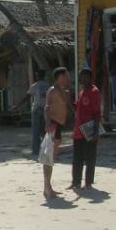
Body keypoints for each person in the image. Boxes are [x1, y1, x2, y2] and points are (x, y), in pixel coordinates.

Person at [42, 67, 72, 200]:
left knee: (52, 158)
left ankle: (47, 187)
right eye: (66, 76)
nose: (68, 78)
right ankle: (47, 187)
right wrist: (48, 123)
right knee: (48, 158)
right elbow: (47, 107)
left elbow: (68, 107)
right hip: (53, 125)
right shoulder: (52, 90)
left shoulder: (64, 92)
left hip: (59, 125)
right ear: (60, 77)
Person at [70, 68, 101, 191]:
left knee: (90, 157)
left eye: (85, 77)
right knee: (77, 158)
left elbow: (97, 113)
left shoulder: (94, 92)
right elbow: (77, 107)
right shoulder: (81, 91)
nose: (82, 79)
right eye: (81, 77)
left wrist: (96, 131)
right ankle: (76, 182)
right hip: (78, 130)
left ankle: (88, 183)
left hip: (89, 128)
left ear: (90, 77)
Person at [27, 70, 49, 156]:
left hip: (36, 109)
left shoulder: (35, 86)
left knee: (36, 131)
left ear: (38, 76)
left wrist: (17, 105)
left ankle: (36, 150)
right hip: (45, 110)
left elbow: (27, 96)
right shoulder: (48, 86)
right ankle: (46, 149)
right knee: (45, 131)